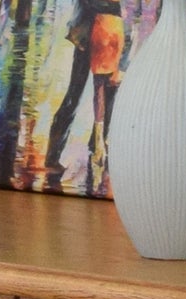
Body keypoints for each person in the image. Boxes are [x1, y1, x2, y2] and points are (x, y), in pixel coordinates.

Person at [44, 0, 127, 191]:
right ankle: (65, 152)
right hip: (97, 24)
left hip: (104, 23)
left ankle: (80, 149)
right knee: (85, 92)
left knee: (92, 90)